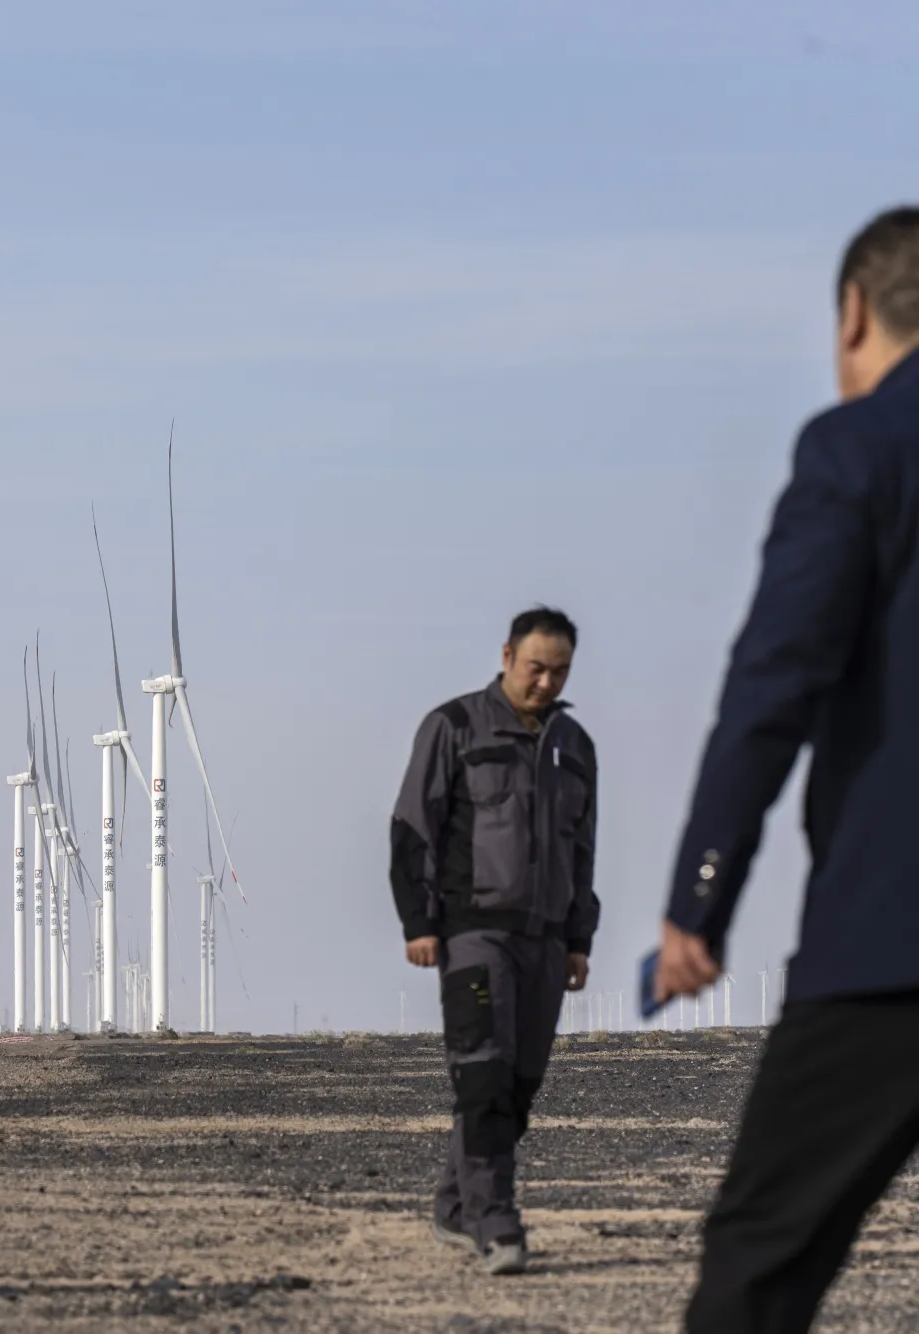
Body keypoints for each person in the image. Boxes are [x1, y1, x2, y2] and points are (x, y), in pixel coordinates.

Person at [659, 208, 919, 1333]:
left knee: (757, 1264)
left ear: (853, 312)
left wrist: (697, 897)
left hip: (889, 941)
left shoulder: (854, 449)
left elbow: (771, 684)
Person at [389, 608, 599, 1276]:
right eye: (535, 666)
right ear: (507, 654)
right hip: (474, 931)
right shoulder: (453, 727)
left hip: (545, 940)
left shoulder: (576, 746)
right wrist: (418, 922)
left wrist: (578, 938)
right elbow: (412, 828)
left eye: (559, 670)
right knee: (482, 1075)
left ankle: (455, 1206)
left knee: (520, 1087)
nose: (545, 681)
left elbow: (584, 851)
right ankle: (497, 1224)